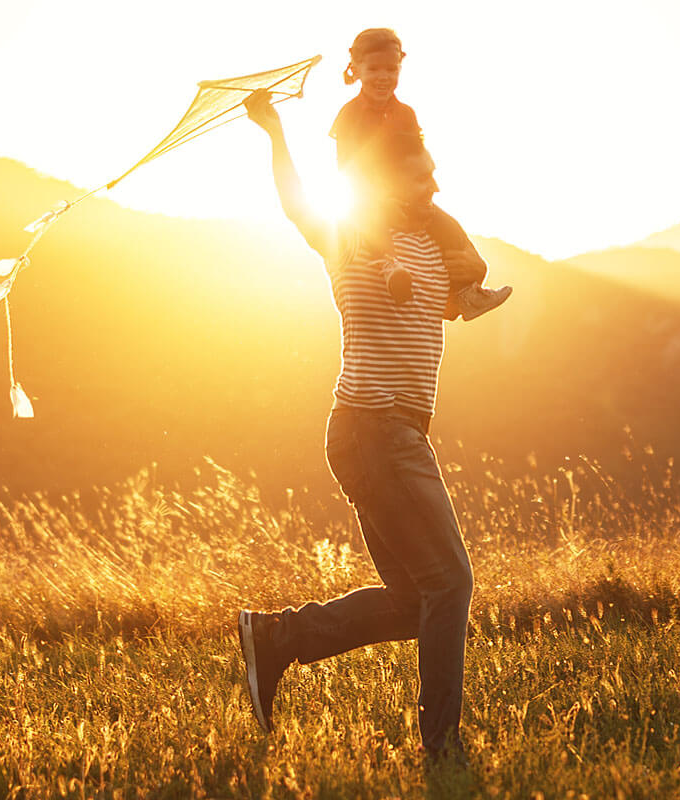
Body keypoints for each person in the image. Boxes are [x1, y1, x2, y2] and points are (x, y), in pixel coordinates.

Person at [236, 88, 481, 767]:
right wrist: (276, 131)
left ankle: (277, 638)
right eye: (419, 173)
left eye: (434, 172)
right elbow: (297, 204)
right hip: (374, 431)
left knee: (414, 600)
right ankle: (443, 749)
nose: (432, 182)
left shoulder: (432, 246)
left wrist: (472, 297)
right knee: (450, 583)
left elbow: (457, 302)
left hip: (394, 434)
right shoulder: (353, 241)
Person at [331, 27, 512, 320]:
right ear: (357, 68)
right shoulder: (350, 115)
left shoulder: (406, 114)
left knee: (449, 227)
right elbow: (346, 167)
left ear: (400, 67)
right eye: (374, 68)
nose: (383, 76)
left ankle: (466, 294)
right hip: (368, 196)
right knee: (371, 217)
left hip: (406, 193)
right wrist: (375, 195)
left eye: (391, 68)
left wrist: (418, 192)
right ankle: (388, 264)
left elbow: (418, 156)